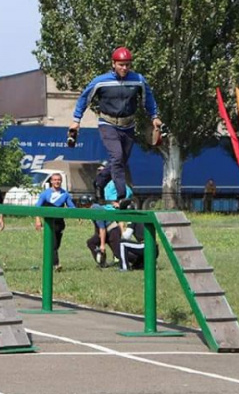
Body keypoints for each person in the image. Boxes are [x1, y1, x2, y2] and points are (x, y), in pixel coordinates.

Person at [69, 47, 163, 209]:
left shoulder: (138, 80)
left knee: (120, 161)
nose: (124, 68)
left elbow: (149, 99)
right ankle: (121, 197)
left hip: (128, 126)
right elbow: (84, 99)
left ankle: (99, 182)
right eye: (121, 65)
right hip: (108, 124)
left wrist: (154, 117)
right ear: (113, 64)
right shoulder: (100, 81)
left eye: (127, 65)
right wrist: (76, 120)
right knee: (117, 157)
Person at [34, 173, 75, 271]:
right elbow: (37, 208)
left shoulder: (65, 194)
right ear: (51, 181)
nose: (57, 182)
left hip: (60, 224)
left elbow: (72, 208)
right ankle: (56, 265)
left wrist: (80, 216)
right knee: (53, 245)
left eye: (59, 180)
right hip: (49, 223)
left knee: (56, 245)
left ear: (61, 181)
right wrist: (38, 220)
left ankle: (49, 263)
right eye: (55, 180)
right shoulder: (45, 193)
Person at [82, 195, 122, 268]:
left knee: (119, 253)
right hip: (105, 231)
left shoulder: (96, 209)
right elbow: (97, 227)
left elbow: (102, 228)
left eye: (85, 205)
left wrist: (102, 245)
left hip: (112, 230)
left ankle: (138, 260)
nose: (84, 207)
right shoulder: (92, 209)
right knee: (91, 242)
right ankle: (102, 263)